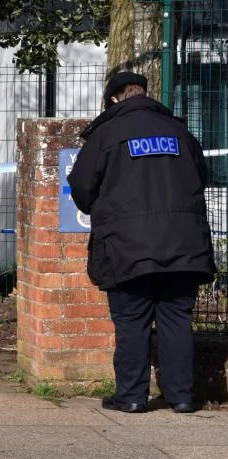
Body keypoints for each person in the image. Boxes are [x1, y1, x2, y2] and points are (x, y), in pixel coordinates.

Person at [68, 71, 216, 414]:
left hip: (126, 246)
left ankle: (132, 397)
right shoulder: (179, 131)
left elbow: (81, 188)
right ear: (145, 94)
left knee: (131, 320)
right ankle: (181, 396)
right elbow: (201, 177)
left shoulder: (106, 134)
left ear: (115, 99)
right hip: (183, 245)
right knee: (177, 319)